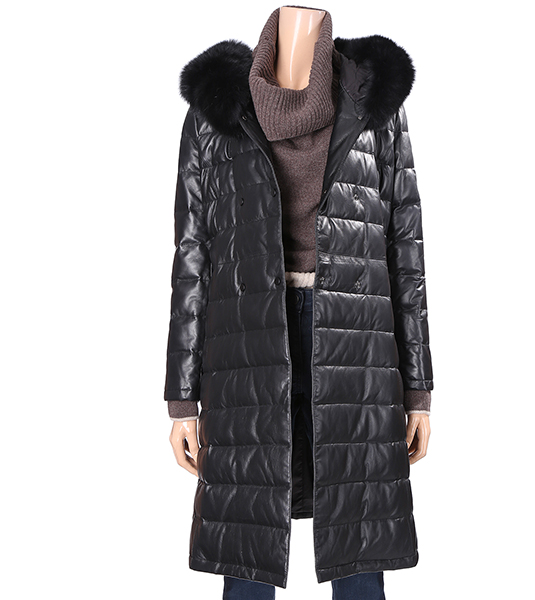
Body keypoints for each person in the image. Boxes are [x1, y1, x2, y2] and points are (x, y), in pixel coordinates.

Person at [165, 6, 434, 598]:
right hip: (246, 341)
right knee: (248, 544)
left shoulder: (374, 104)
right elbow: (192, 256)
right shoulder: (216, 109)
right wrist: (181, 400)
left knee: (360, 542)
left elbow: (405, 248)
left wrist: (418, 389)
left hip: (358, 337)